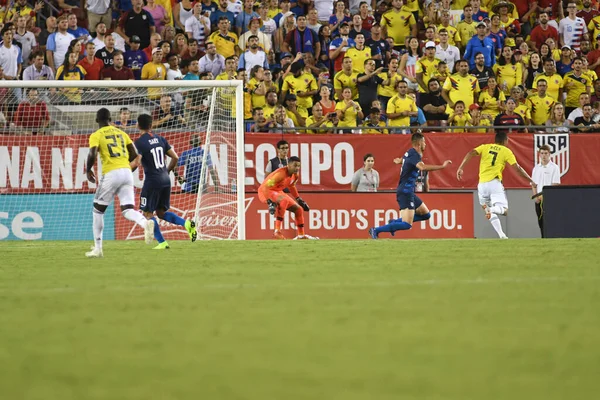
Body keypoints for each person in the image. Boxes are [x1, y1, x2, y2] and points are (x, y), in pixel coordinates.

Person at [85, 108, 155, 258]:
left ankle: (98, 248)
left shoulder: (96, 135)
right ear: (110, 119)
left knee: (98, 211)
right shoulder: (122, 133)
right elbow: (134, 155)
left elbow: (92, 153)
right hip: (127, 172)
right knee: (127, 209)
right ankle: (145, 223)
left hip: (111, 173)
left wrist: (88, 169)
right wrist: (125, 169)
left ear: (97, 120)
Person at [369, 133, 452, 239]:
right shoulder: (414, 155)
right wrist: (442, 166)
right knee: (407, 224)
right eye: (424, 142)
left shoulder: (409, 152)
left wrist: (400, 162)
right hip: (405, 191)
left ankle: (394, 222)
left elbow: (403, 160)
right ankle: (375, 230)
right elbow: (422, 167)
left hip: (408, 191)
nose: (425, 144)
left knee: (426, 214)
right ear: (418, 143)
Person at [456, 131, 537, 239]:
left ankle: (501, 234)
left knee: (488, 211)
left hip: (482, 185)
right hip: (494, 183)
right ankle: (492, 210)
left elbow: (470, 153)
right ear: (505, 141)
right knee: (504, 210)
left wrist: (461, 167)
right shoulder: (506, 151)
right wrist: (530, 180)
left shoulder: (485, 147)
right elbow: (517, 169)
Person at [134, 114, 197, 249]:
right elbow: (175, 158)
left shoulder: (139, 142)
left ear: (138, 126)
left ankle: (162, 243)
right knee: (161, 213)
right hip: (165, 179)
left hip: (152, 181)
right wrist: (166, 172)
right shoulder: (161, 139)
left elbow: (137, 161)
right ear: (151, 125)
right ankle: (186, 224)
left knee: (147, 214)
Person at [258, 156, 317, 240]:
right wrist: (269, 201)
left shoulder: (295, 174)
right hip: (265, 192)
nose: (297, 168)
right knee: (284, 200)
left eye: (298, 166)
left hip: (277, 191)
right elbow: (265, 187)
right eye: (295, 165)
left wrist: (299, 199)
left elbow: (291, 185)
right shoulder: (280, 174)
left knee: (298, 209)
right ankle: (277, 232)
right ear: (288, 165)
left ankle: (301, 235)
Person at [531, 144, 561, 238]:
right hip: (538, 199)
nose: (544, 155)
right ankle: (543, 238)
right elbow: (533, 184)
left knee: (550, 221)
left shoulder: (554, 167)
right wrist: (535, 196)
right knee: (540, 221)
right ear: (539, 154)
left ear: (549, 154)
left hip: (549, 199)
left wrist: (547, 195)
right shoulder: (536, 168)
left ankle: (551, 238)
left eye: (546, 153)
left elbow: (555, 183)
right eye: (542, 153)